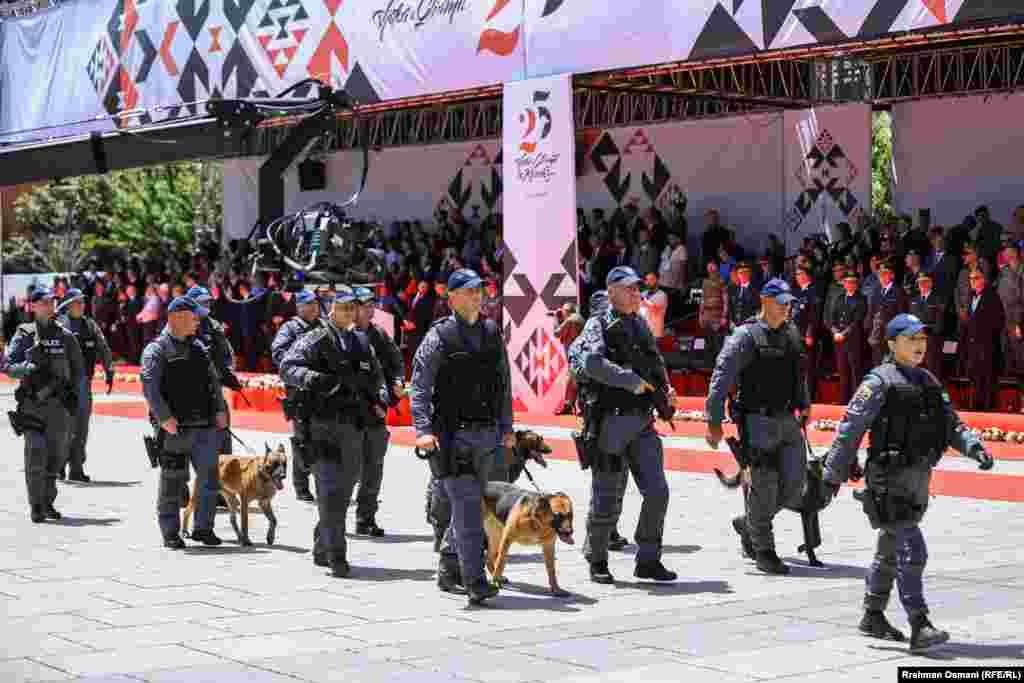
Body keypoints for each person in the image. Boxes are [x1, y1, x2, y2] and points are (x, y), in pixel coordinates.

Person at [822, 314, 994, 651]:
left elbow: (951, 423)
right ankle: (920, 623)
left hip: (917, 478)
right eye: (911, 338)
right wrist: (832, 475)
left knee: (891, 548)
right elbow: (850, 429)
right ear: (891, 343)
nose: (919, 345)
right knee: (912, 549)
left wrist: (974, 447)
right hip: (888, 480)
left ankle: (872, 614)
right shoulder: (878, 381)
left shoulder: (928, 380)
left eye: (923, 339)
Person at [410, 268, 514, 605]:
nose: (476, 296)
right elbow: (420, 388)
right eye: (468, 291)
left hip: (488, 437)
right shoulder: (438, 337)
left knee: (473, 509)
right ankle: (475, 581)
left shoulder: (491, 332)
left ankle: (449, 564)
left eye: (479, 290)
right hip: (453, 438)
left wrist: (507, 427)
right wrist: (423, 430)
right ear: (450, 297)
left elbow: (503, 385)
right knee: (468, 510)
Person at [569, 266, 677, 585]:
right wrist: (629, 381)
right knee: (606, 495)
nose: (635, 293)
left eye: (637, 288)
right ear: (612, 291)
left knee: (658, 492)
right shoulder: (597, 324)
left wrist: (665, 392)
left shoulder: (640, 324)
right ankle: (598, 558)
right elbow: (591, 363)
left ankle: (648, 559)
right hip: (611, 421)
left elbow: (655, 362)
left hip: (643, 421)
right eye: (629, 288)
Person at [280, 288, 389, 577]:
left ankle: (322, 546)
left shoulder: (361, 341)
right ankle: (336, 556)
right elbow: (288, 367)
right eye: (343, 308)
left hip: (353, 427)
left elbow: (377, 375)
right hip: (321, 426)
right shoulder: (314, 339)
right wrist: (319, 381)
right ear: (331, 310)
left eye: (353, 309)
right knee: (329, 492)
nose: (349, 314)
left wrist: (381, 398)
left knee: (343, 493)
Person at [705, 278, 811, 575]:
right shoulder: (744, 335)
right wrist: (713, 421)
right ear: (765, 301)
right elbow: (721, 377)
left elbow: (798, 372)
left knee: (794, 486)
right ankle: (764, 550)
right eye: (781, 303)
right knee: (764, 487)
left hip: (788, 418)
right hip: (757, 421)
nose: (787, 308)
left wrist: (805, 403)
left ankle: (748, 523)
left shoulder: (790, 332)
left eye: (789, 303)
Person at [141, 296, 228, 548]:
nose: (198, 321)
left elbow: (213, 382)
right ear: (177, 317)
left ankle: (203, 528)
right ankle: (170, 532)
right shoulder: (156, 350)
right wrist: (164, 418)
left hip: (206, 426)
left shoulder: (199, 347)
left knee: (210, 479)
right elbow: (150, 387)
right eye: (194, 317)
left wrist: (221, 410)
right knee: (173, 480)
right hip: (175, 429)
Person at [2, 287, 84, 523]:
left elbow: (78, 372)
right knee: (35, 454)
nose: (49, 306)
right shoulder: (24, 333)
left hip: (59, 407)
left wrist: (75, 402)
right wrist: (28, 369)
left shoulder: (65, 336)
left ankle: (48, 501)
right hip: (33, 404)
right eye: (44, 302)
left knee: (56, 458)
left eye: (52, 302)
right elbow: (8, 366)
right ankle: (36, 505)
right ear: (34, 305)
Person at [353, 286, 405, 537]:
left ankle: (365, 517)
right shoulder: (342, 336)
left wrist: (397, 382)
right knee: (345, 472)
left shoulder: (379, 334)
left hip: (376, 413)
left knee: (373, 467)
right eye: (365, 305)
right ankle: (332, 520)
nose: (370, 309)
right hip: (348, 414)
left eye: (372, 305)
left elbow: (395, 362)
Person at [270, 290, 324, 502]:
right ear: (299, 307)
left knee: (323, 437)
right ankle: (301, 486)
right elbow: (278, 354)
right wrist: (302, 363)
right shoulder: (290, 328)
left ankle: (323, 481)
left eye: (315, 304)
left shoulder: (323, 326)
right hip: (299, 392)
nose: (313, 308)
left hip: (321, 390)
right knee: (302, 440)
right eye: (308, 304)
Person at [57, 288, 115, 483]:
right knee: (63, 427)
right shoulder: (58, 326)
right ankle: (58, 466)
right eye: (77, 302)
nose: (82, 305)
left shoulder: (90, 325)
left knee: (81, 428)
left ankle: (76, 467)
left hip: (83, 383)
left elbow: (103, 347)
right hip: (62, 384)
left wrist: (109, 369)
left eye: (82, 302)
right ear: (67, 306)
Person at [186, 287, 237, 455]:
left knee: (223, 434)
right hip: (191, 393)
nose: (207, 304)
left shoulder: (213, 325)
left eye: (208, 301)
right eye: (202, 301)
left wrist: (227, 373)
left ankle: (226, 467)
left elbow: (227, 353)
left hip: (214, 389)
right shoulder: (182, 325)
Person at [957, 267, 1005, 410]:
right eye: (971, 278)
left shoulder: (992, 296)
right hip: (973, 347)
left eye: (976, 278)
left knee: (988, 380)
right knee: (976, 378)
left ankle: (989, 409)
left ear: (983, 280)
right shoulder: (972, 297)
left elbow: (999, 321)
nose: (972, 281)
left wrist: (985, 336)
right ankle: (977, 407)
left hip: (987, 346)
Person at [830, 271, 868, 403]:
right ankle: (843, 400)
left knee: (855, 372)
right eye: (847, 282)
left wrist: (843, 334)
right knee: (843, 372)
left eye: (852, 282)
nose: (850, 284)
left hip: (853, 340)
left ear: (857, 284)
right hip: (839, 340)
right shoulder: (840, 298)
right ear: (844, 284)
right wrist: (835, 332)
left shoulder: (861, 299)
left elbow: (857, 321)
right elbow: (832, 319)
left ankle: (856, 402)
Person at [865, 260, 908, 367]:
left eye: (885, 273)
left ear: (892, 275)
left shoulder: (898, 291)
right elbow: (871, 311)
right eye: (880, 274)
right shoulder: (876, 290)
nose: (882, 276)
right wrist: (868, 328)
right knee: (877, 363)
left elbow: (901, 314)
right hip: (877, 334)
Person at [909, 272, 947, 381]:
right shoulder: (914, 300)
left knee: (933, 373)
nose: (922, 284)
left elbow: (939, 323)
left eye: (925, 282)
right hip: (916, 343)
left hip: (932, 341)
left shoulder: (938, 299)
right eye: (920, 282)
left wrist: (926, 330)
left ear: (930, 283)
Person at [996, 241, 1024, 378]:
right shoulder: (1003, 271)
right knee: (1006, 354)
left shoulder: (1022, 270)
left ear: (1014, 252)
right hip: (1004, 318)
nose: (1004, 254)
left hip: (1018, 318)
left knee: (1019, 354)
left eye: (1007, 251)